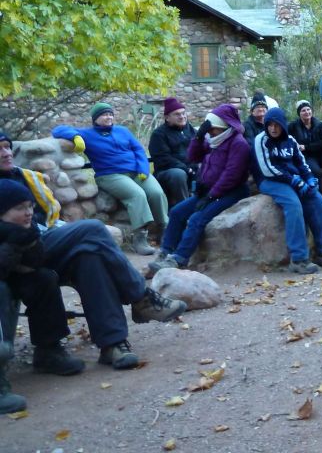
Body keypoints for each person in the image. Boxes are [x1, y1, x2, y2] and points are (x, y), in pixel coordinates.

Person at [0, 130, 186, 373]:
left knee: (89, 256)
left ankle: (112, 344)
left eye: (6, 147)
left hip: (40, 246)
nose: (6, 153)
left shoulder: (25, 178)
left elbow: (50, 218)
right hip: (13, 254)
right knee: (93, 229)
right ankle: (140, 296)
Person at [0, 180, 85, 412]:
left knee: (44, 279)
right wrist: (12, 242)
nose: (28, 212)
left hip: (12, 274)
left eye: (29, 206)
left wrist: (24, 240)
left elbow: (36, 263)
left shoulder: (27, 230)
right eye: (19, 208)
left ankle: (49, 350)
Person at [52, 103, 168, 256]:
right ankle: (140, 238)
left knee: (156, 192)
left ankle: (165, 229)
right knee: (137, 195)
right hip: (110, 175)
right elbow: (57, 130)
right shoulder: (87, 134)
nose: (109, 117)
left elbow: (138, 149)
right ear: (95, 119)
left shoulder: (123, 131)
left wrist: (143, 169)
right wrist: (75, 137)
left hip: (136, 171)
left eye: (110, 114)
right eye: (104, 115)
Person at [149, 104, 251, 274]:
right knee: (176, 212)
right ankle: (166, 252)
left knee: (197, 218)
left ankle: (179, 259)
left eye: (213, 129)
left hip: (230, 191)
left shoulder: (238, 144)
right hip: (209, 191)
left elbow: (231, 176)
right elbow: (193, 156)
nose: (210, 132)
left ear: (224, 127)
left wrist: (211, 196)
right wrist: (198, 137)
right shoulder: (215, 140)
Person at [252, 107, 322, 274]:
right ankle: (298, 259)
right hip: (270, 180)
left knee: (318, 200)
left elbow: (301, 163)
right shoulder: (261, 140)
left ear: (283, 125)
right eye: (269, 125)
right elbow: (267, 169)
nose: (272, 128)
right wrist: (295, 181)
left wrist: (309, 179)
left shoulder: (290, 140)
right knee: (293, 204)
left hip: (293, 179)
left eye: (276, 125)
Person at [148, 97, 197, 209]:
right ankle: (184, 211)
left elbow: (200, 147)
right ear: (167, 118)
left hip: (190, 167)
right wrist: (186, 168)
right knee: (178, 174)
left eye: (183, 113)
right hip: (167, 171)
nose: (182, 116)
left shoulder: (190, 129)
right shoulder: (159, 134)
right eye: (177, 114)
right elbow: (163, 159)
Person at [288, 100, 322, 191]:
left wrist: (306, 147)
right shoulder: (293, 126)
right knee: (315, 170)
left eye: (308, 109)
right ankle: (319, 192)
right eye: (303, 110)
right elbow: (285, 136)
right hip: (307, 157)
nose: (307, 112)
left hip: (321, 154)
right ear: (299, 113)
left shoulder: (319, 125)